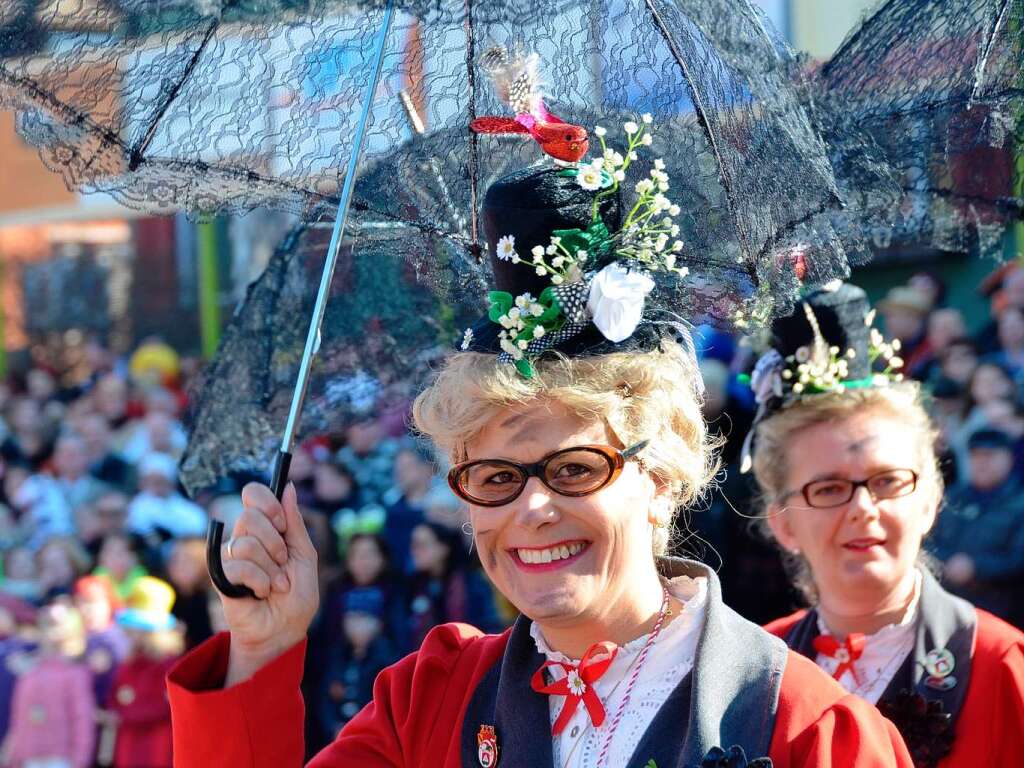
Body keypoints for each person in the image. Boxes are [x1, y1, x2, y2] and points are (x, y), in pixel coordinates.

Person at [168, 117, 910, 766]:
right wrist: (261, 651)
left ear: (657, 480)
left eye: (575, 469)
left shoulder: (815, 732)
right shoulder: (429, 702)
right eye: (495, 479)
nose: (532, 510)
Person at [746, 283, 1024, 766]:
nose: (863, 509)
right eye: (828, 488)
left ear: (931, 499)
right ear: (783, 522)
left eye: (887, 481)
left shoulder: (1003, 665)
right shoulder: (752, 667)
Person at [929, 428, 1024, 626]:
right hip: (948, 607)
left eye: (989, 455)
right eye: (976, 455)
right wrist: (948, 562)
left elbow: (1017, 559)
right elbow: (927, 541)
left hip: (1003, 611)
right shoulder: (952, 497)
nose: (982, 463)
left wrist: (976, 567)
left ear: (1008, 457)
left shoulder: (1019, 503)